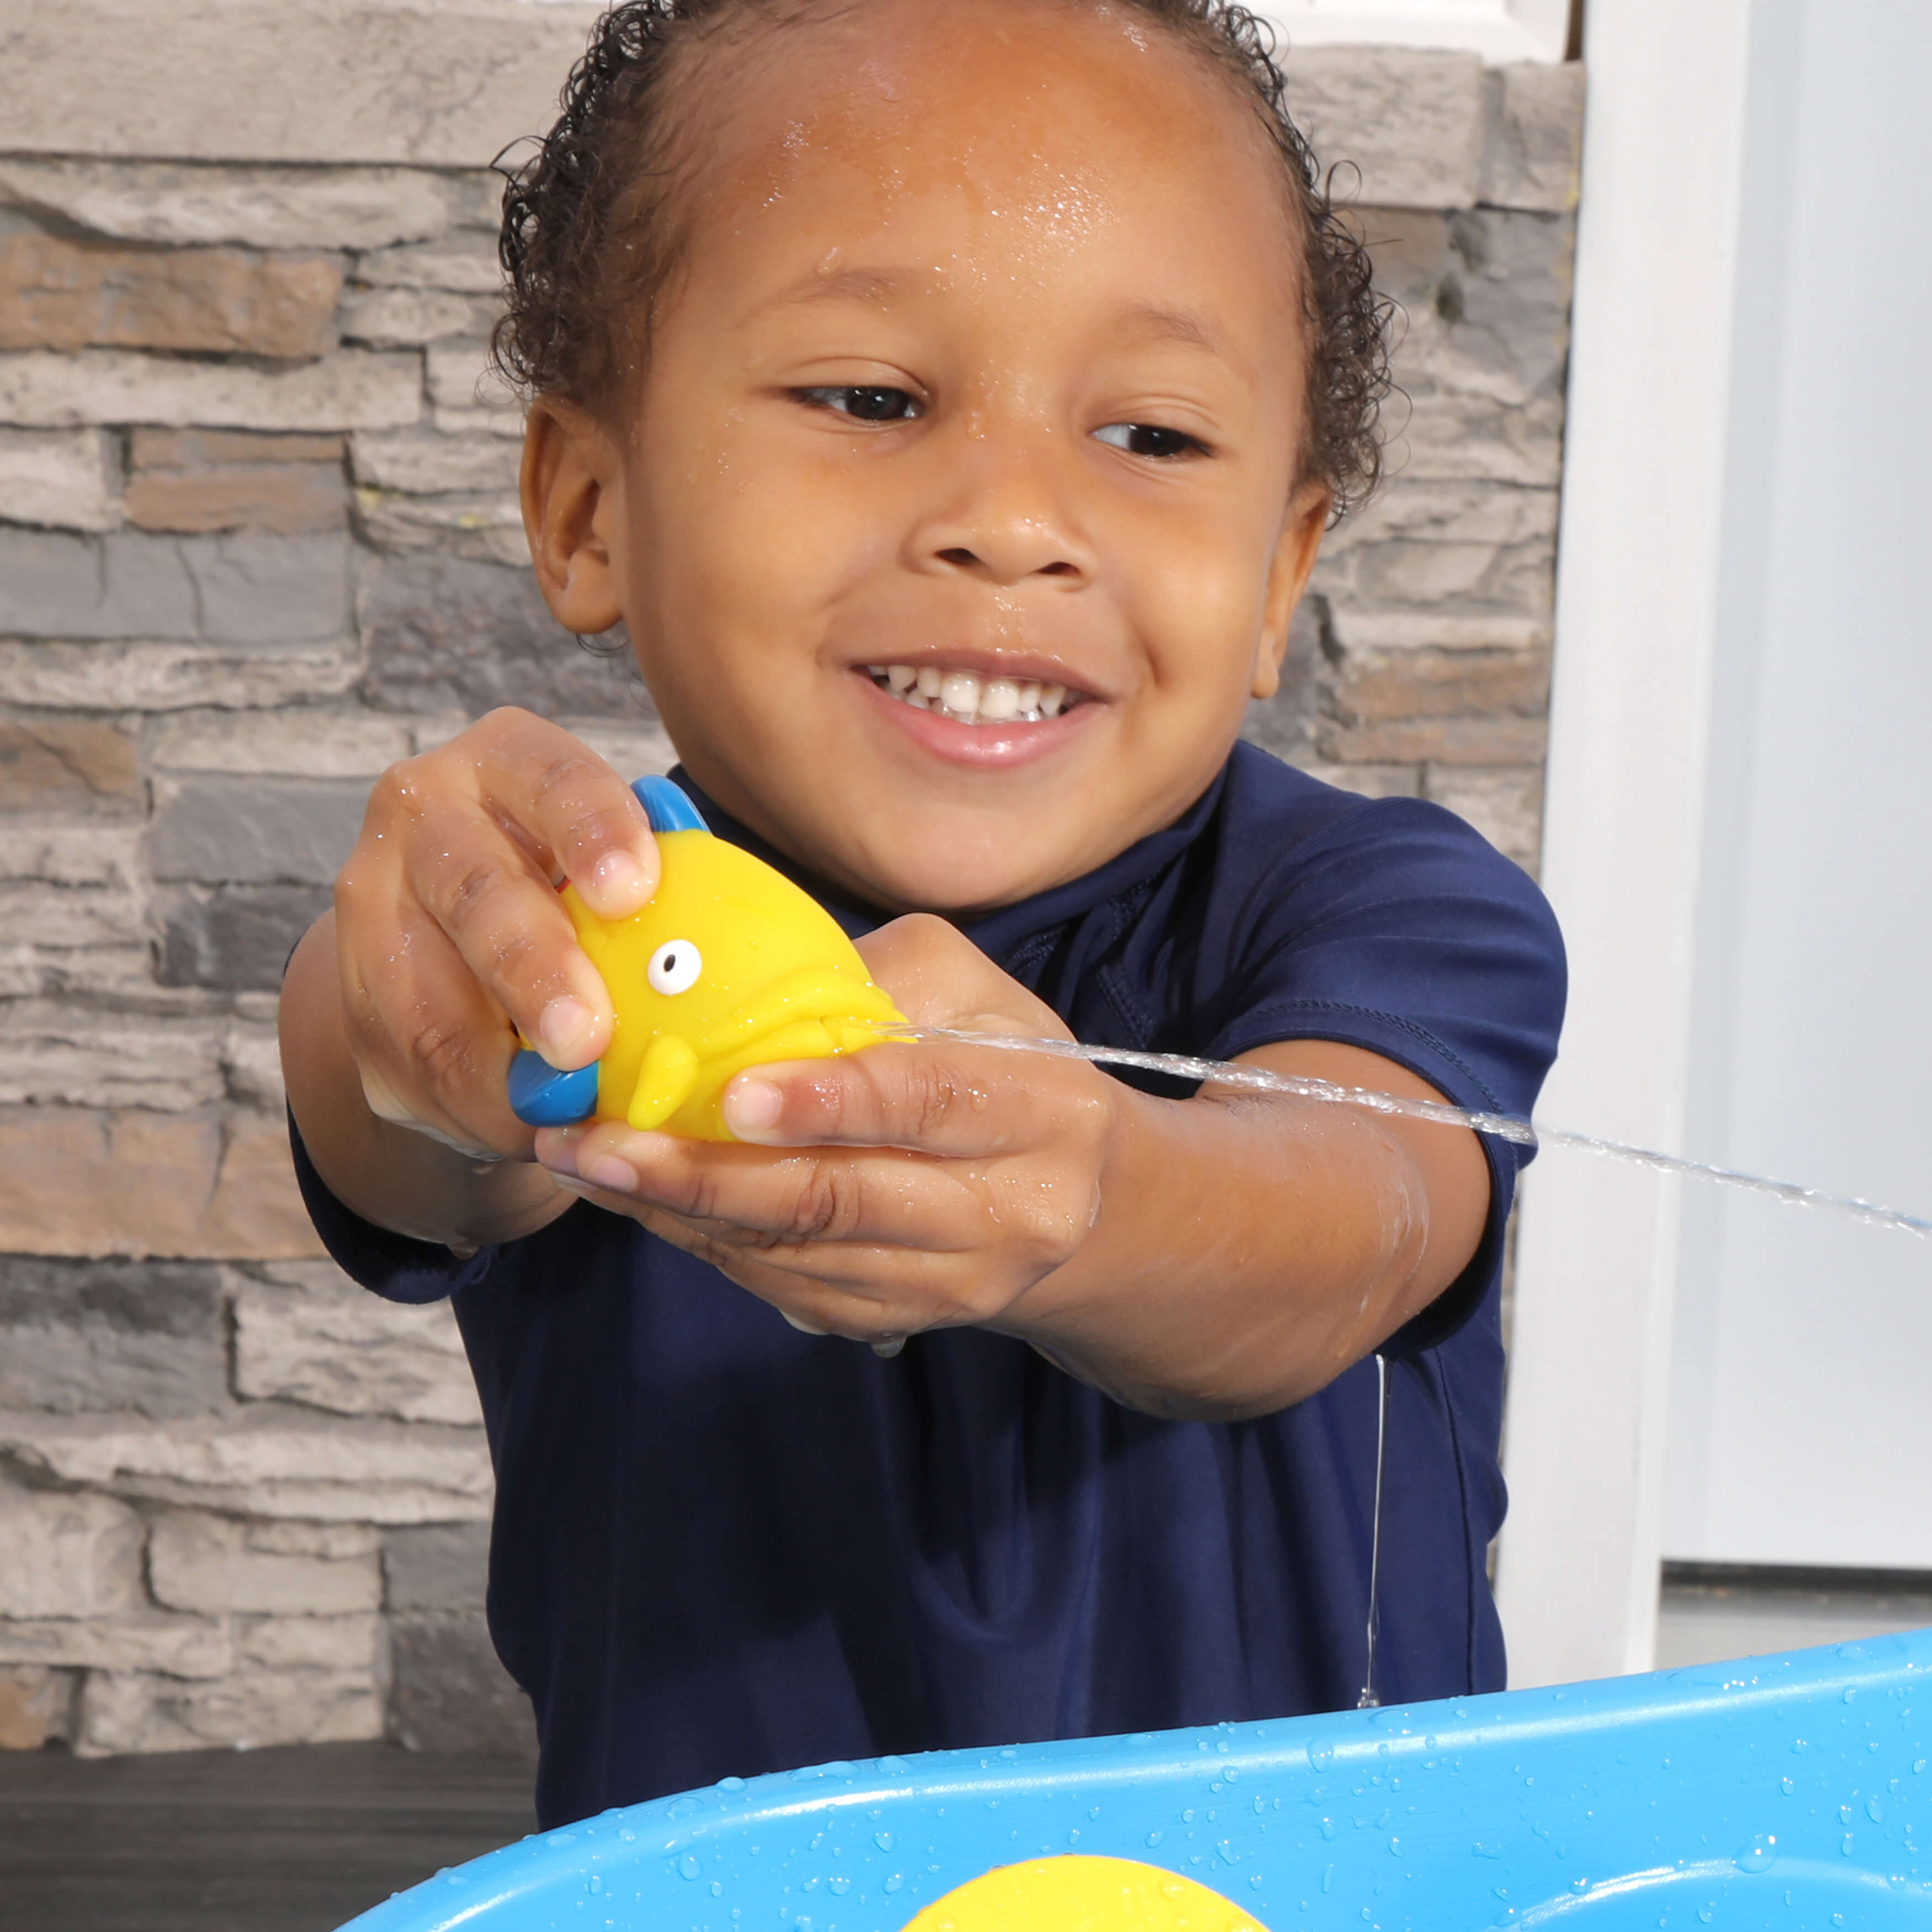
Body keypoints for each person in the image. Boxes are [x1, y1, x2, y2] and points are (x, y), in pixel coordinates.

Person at [279, 0, 1565, 1829]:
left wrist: (1100, 1198)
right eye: (871, 397)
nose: (1013, 520)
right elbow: (397, 1114)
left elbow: (1341, 1225)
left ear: (1280, 575)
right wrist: (431, 1023)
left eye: (1150, 432)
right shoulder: (570, 907)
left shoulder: (1396, 909)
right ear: (583, 506)